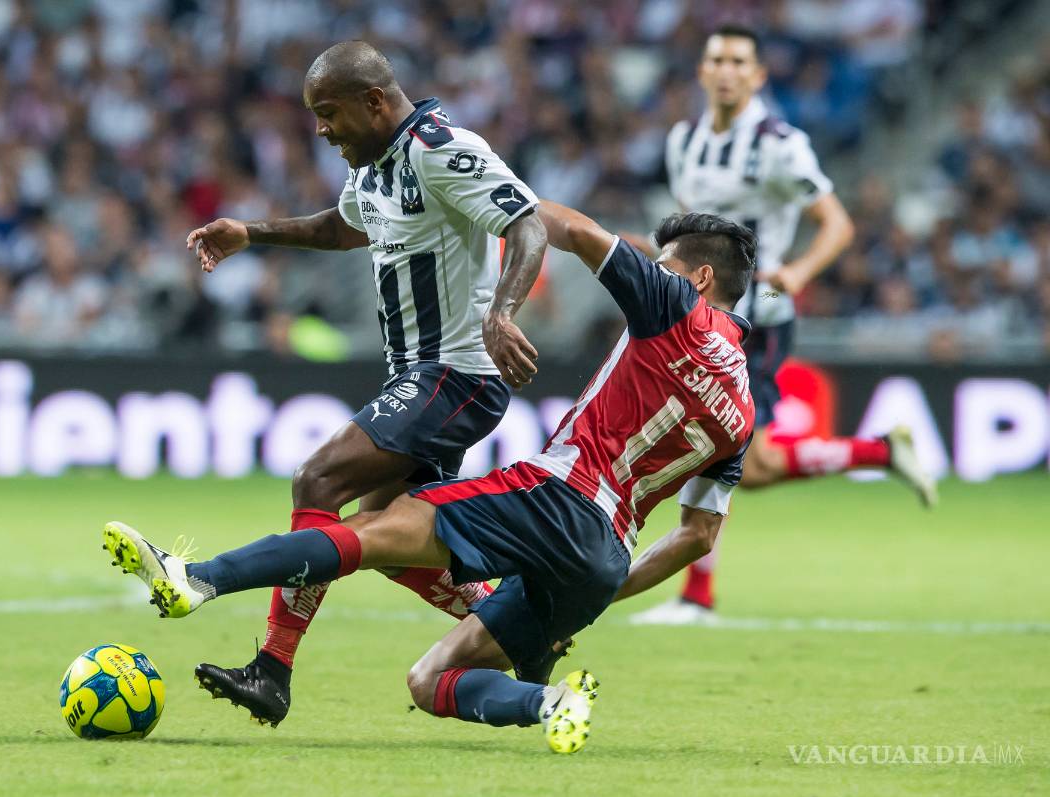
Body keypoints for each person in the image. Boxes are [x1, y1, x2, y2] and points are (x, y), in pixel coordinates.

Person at [100, 206, 757, 753]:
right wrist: (609, 589)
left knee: (372, 527)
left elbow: (575, 230)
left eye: (665, 262)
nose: (655, 267)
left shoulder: (676, 306)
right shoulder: (744, 412)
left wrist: (503, 208)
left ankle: (197, 579)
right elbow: (698, 537)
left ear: (698, 278)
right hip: (606, 555)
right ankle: (550, 702)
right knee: (430, 678)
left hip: (557, 496)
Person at [181, 41, 549, 726]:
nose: (321, 130)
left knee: (317, 480)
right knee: (379, 538)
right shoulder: (374, 166)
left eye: (329, 114)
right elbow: (343, 227)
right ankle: (523, 628)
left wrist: (502, 312)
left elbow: (527, 220)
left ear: (375, 101)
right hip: (419, 375)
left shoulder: (440, 148)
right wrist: (251, 233)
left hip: (456, 372)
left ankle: (272, 670)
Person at [628, 24, 936, 624]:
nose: (725, 69)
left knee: (720, 444)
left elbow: (837, 223)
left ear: (758, 75)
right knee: (749, 460)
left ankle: (695, 597)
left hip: (758, 320)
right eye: (716, 57)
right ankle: (879, 451)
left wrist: (797, 271)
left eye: (738, 61)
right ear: (701, 70)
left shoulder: (778, 143)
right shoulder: (683, 140)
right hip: (702, 317)